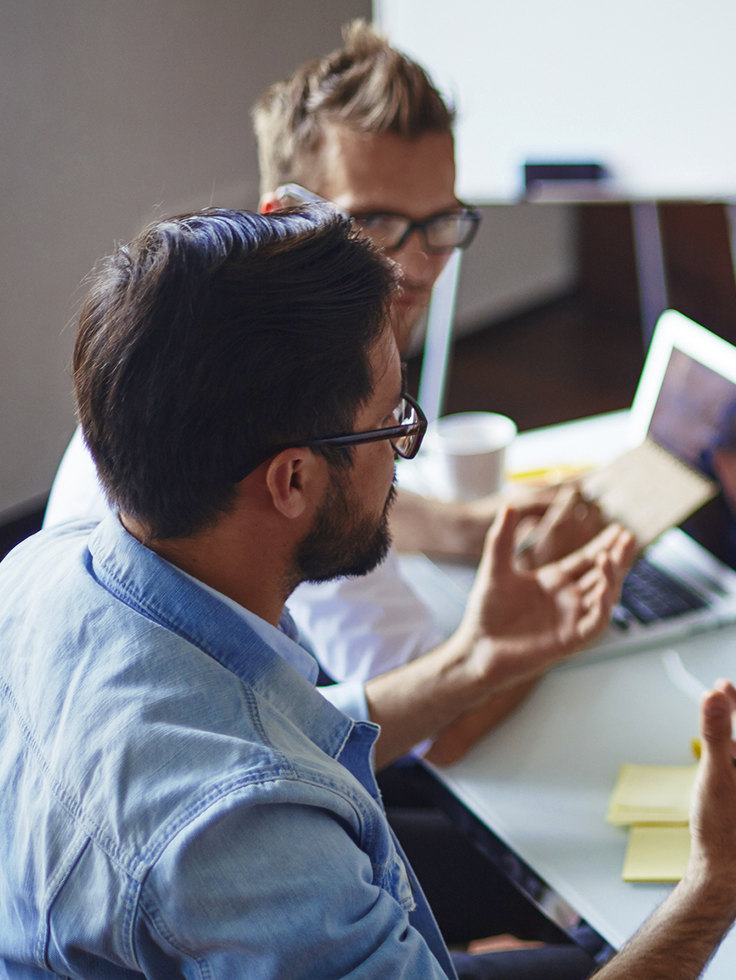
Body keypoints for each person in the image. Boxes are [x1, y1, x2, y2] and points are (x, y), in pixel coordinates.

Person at [0, 207, 736, 980]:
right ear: (292, 480)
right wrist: (718, 876)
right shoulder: (246, 836)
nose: (403, 454)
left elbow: (263, 735)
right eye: (393, 424)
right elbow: (246, 788)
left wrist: (479, 658)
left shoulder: (45, 568)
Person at [41, 21, 590, 765]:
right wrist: (561, 619)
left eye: (439, 223)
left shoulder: (194, 340)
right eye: (376, 223)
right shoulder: (292, 417)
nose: (417, 266)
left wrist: (468, 529)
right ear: (286, 216)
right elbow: (438, 734)